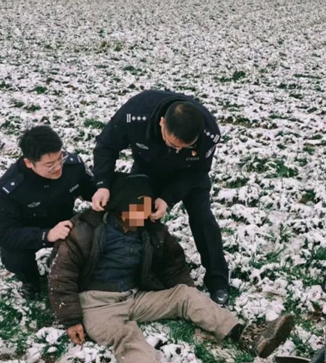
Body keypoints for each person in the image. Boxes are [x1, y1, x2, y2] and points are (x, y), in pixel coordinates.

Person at [48, 173, 293, 363]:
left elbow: (173, 263)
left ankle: (246, 335)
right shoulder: (84, 230)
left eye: (145, 211)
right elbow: (62, 275)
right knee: (126, 337)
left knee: (184, 295)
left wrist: (190, 297)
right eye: (137, 211)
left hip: (135, 296)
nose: (143, 217)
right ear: (120, 207)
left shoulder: (150, 230)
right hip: (96, 305)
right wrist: (71, 319)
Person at [91, 90, 230, 305]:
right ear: (162, 123)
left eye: (184, 147)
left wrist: (167, 198)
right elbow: (106, 146)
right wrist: (102, 184)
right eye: (173, 144)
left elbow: (199, 171)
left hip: (189, 174)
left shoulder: (210, 131)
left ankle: (218, 280)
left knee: (203, 219)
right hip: (148, 170)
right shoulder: (135, 113)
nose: (176, 151)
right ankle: (135, 269)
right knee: (137, 216)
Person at [0, 125, 96, 298]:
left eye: (59, 159)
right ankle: (31, 282)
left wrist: (102, 193)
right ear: (29, 162)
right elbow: (3, 233)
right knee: (14, 257)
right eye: (49, 165)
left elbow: (91, 189)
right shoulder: (12, 188)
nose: (57, 167)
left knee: (93, 236)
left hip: (63, 218)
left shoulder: (72, 165)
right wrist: (46, 235)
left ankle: (81, 273)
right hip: (28, 229)